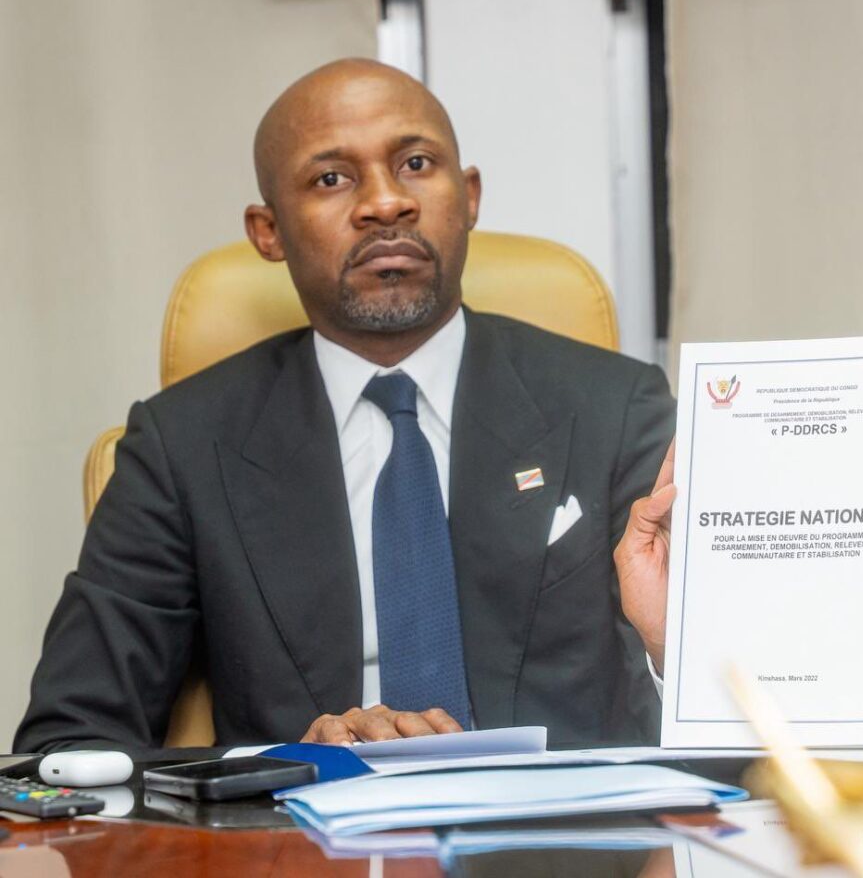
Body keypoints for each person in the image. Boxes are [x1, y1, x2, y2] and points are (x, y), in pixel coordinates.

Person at [15, 59, 676, 753]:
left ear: (469, 196)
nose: (385, 204)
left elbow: (723, 705)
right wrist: (283, 767)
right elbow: (67, 743)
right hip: (296, 819)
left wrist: (670, 653)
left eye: (415, 163)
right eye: (331, 178)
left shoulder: (617, 410)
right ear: (268, 231)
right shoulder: (181, 446)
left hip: (563, 820)